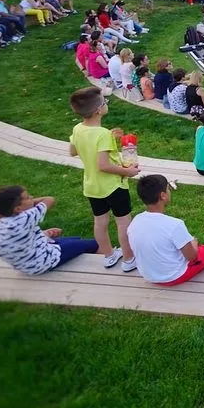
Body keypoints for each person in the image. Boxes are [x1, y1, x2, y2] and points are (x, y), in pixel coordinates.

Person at [68, 86, 138, 271]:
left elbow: (73, 151)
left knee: (100, 221)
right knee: (123, 221)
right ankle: (129, 259)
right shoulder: (102, 134)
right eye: (105, 101)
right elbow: (104, 165)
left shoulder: (78, 128)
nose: (107, 104)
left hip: (92, 185)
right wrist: (128, 172)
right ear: (98, 110)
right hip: (113, 186)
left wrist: (107, 138)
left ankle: (108, 255)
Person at [0, 186, 99, 275]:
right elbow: (49, 199)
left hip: (25, 264)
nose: (31, 197)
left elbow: (21, 241)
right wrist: (32, 203)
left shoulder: (3, 222)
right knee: (93, 244)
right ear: (17, 209)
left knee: (73, 240)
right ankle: (108, 259)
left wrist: (45, 234)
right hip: (43, 262)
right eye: (27, 198)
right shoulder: (25, 217)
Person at [129, 174, 204, 285]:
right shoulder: (174, 225)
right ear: (163, 195)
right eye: (168, 189)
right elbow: (192, 257)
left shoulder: (135, 221)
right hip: (173, 276)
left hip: (148, 275)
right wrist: (193, 243)